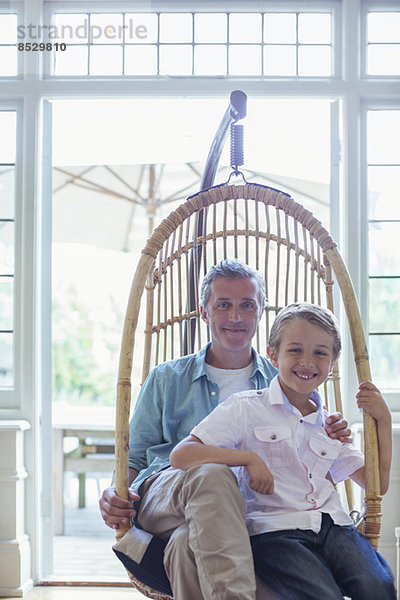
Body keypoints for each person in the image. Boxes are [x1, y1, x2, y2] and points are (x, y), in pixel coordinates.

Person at [99, 261, 352, 600]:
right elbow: (134, 457)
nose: (235, 317)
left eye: (247, 305)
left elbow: (312, 444)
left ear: (261, 312)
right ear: (204, 312)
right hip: (166, 495)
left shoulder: (288, 380)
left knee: (184, 545)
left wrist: (338, 427)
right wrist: (112, 491)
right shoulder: (167, 378)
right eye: (223, 305)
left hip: (246, 512)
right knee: (213, 474)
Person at [171, 302, 395, 600]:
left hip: (334, 526)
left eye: (320, 353)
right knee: (322, 595)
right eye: (295, 350)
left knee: (378, 587)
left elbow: (376, 485)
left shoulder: (329, 424)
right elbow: (182, 455)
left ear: (333, 361)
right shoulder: (246, 407)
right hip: (276, 531)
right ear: (273, 355)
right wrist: (248, 458)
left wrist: (384, 420)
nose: (307, 362)